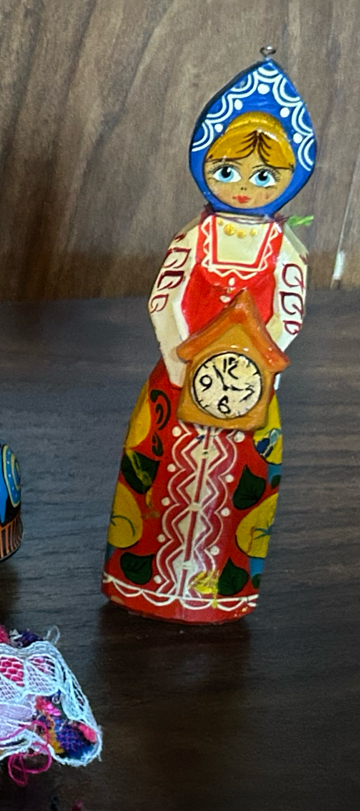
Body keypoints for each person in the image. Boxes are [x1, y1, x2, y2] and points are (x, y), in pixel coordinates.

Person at [102, 57, 311, 624]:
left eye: (263, 177)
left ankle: (220, 593)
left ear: (293, 177)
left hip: (247, 392)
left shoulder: (286, 250)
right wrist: (182, 364)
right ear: (204, 164)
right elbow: (163, 298)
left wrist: (252, 370)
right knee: (155, 471)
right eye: (227, 169)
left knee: (240, 487)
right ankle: (139, 582)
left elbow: (289, 315)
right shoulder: (192, 238)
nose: (243, 186)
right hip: (178, 383)